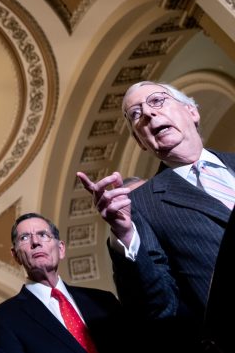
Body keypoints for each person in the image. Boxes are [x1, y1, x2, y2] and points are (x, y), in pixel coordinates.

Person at [77, 81, 235, 351]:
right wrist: (125, 234)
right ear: (140, 142)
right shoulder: (141, 204)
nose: (148, 113)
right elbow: (157, 307)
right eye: (136, 114)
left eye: (157, 101)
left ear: (192, 112)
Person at [0, 213, 124, 353]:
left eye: (43, 235)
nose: (36, 242)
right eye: (24, 238)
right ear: (15, 255)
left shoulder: (104, 300)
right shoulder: (4, 319)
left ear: (61, 249)